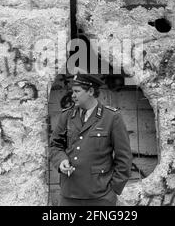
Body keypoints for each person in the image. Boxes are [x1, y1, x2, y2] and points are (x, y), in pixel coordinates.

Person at [50, 73, 133, 206]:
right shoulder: (67, 116)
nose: (73, 95)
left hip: (100, 196)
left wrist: (114, 189)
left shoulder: (112, 117)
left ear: (90, 91)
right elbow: (55, 145)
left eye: (77, 91)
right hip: (69, 194)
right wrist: (61, 161)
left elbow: (124, 157)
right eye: (72, 91)